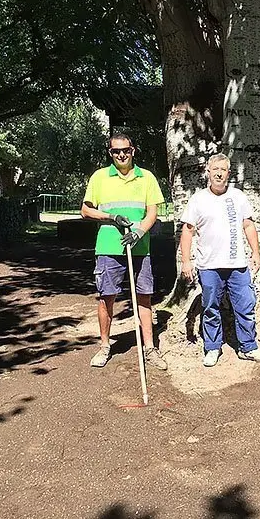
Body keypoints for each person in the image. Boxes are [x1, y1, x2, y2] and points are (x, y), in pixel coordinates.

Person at [81, 133, 168, 371]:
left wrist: (139, 232)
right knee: (106, 297)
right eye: (116, 151)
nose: (121, 155)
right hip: (108, 247)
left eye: (126, 150)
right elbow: (86, 210)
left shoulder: (147, 178)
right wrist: (110, 216)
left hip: (140, 248)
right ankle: (105, 346)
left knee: (144, 297)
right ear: (110, 153)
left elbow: (152, 214)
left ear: (133, 150)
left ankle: (150, 348)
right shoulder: (100, 177)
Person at [179, 153, 260, 367]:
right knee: (210, 307)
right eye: (215, 170)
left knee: (245, 305)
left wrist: (255, 253)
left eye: (223, 170)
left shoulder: (238, 196)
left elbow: (248, 225)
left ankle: (248, 347)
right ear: (208, 172)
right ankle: (212, 348)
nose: (219, 173)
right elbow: (188, 230)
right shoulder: (198, 199)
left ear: (229, 173)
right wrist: (186, 261)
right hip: (209, 265)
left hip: (237, 265)